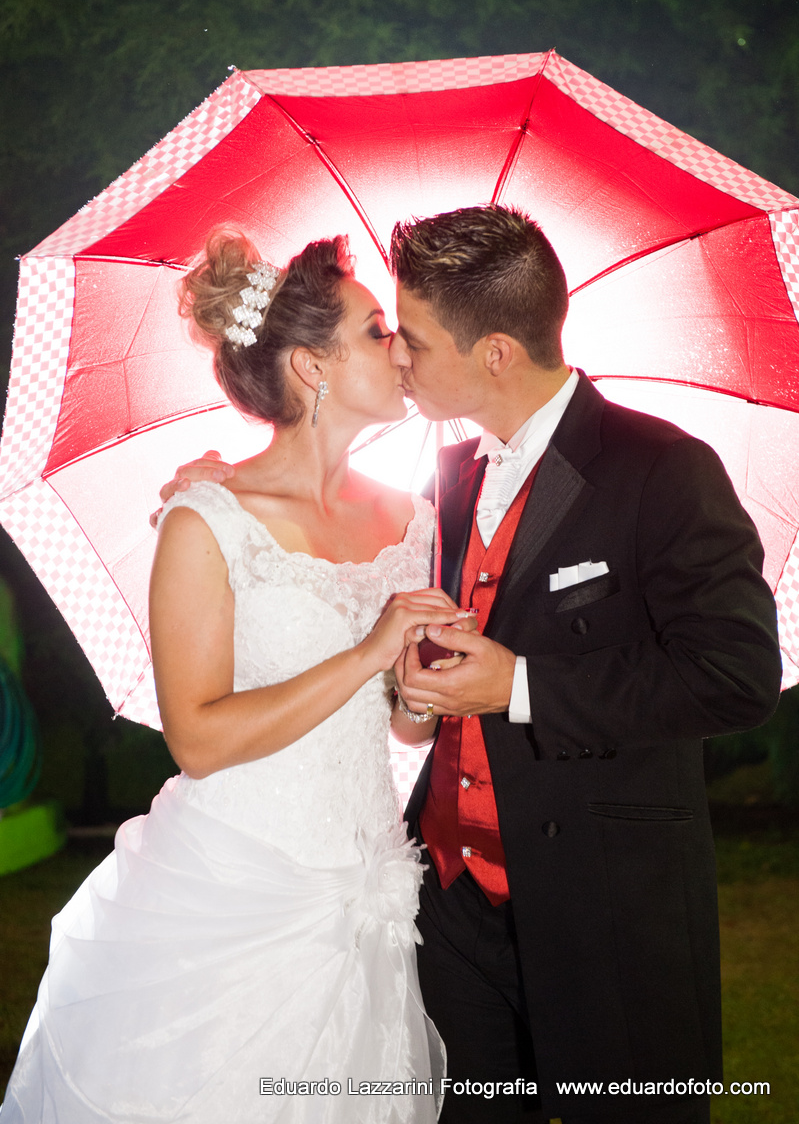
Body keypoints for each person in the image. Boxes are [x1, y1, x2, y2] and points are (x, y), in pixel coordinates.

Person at [164, 206, 782, 1124]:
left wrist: (520, 687)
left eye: (406, 337)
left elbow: (736, 673)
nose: (399, 356)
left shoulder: (662, 469)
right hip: (442, 910)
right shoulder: (441, 488)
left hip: (608, 909)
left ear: (493, 351)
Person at [1, 232, 461, 1123]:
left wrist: (415, 682)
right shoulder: (206, 519)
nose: (401, 350)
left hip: (364, 893)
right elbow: (200, 739)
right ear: (309, 366)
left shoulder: (418, 519)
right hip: (230, 897)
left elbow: (405, 731)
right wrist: (366, 652)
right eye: (376, 332)